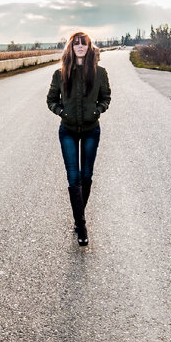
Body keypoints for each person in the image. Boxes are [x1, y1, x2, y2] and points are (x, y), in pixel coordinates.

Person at [46, 31, 111, 246]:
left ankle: (78, 218)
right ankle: (81, 225)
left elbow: (106, 97)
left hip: (92, 129)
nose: (80, 47)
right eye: (76, 44)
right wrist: (62, 112)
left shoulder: (99, 73)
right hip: (68, 130)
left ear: (89, 47)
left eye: (84, 43)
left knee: (87, 176)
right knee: (73, 177)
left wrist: (97, 111)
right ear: (71, 48)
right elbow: (51, 100)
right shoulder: (60, 73)